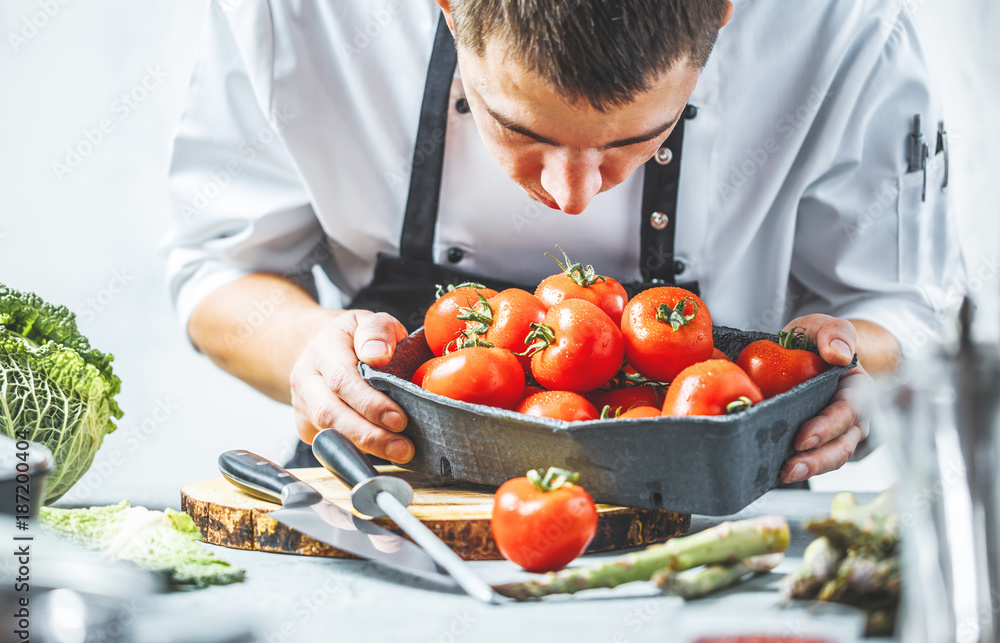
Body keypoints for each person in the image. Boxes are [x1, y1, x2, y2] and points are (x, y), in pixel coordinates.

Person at [163, 0, 964, 484]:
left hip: (717, 526)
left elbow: (911, 303)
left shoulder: (841, 28)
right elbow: (218, 267)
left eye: (634, 139)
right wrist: (310, 351)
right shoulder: (308, 16)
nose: (570, 198)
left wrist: (862, 365)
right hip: (384, 507)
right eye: (517, 127)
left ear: (722, 12)